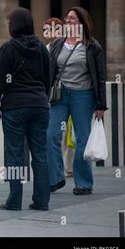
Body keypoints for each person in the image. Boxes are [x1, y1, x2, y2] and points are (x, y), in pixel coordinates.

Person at [0, 8, 51, 211]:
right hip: (39, 105)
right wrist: (43, 98)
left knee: (15, 155)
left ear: (13, 26)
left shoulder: (7, 49)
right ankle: (42, 201)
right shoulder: (42, 48)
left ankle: (14, 201)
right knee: (40, 154)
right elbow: (47, 78)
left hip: (14, 107)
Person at [47, 6, 106, 195]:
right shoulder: (58, 44)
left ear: (82, 22)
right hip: (60, 95)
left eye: (72, 18)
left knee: (83, 138)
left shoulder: (92, 46)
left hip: (84, 96)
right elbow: (49, 70)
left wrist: (100, 104)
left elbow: (100, 76)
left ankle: (84, 183)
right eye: (67, 18)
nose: (68, 20)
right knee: (51, 135)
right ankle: (55, 178)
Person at [44, 17, 75, 178]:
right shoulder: (46, 47)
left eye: (49, 29)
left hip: (70, 93)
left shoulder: (67, 45)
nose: (46, 33)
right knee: (55, 134)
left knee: (69, 133)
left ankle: (69, 167)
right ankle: (59, 169)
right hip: (54, 95)